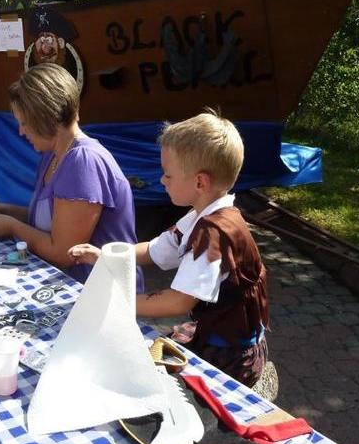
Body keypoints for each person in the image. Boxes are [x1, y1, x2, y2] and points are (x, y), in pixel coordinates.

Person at [69, 111, 270, 387]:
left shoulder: (213, 233)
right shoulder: (202, 214)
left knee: (160, 387)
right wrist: (105, 256)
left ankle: (252, 387)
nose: (162, 181)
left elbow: (178, 301)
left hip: (232, 355)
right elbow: (156, 250)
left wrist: (119, 303)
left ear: (200, 182)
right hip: (216, 333)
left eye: (168, 175)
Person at [0, 63, 143, 290]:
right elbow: (52, 220)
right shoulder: (53, 155)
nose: (21, 131)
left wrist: (12, 227)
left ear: (45, 117)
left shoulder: (83, 162)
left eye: (24, 123)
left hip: (103, 293)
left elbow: (64, 253)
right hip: (77, 288)